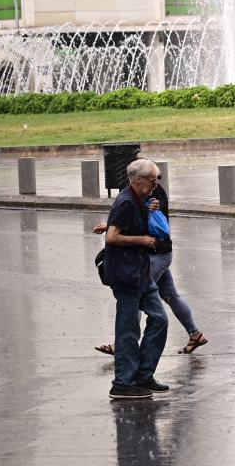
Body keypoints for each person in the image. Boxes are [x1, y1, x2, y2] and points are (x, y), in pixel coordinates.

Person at [94, 181, 207, 357]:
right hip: (158, 254)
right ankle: (196, 334)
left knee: (136, 294)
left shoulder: (152, 194)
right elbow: (139, 219)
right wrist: (110, 227)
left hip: (156, 255)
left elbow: (147, 222)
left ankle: (122, 345)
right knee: (171, 296)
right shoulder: (146, 192)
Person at [102, 159, 169, 400]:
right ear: (138, 179)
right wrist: (142, 240)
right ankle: (123, 384)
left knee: (160, 319)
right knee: (128, 331)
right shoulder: (127, 201)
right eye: (153, 180)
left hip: (141, 273)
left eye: (157, 180)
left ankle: (143, 375)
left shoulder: (138, 200)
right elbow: (112, 237)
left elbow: (117, 226)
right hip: (126, 275)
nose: (155, 184)